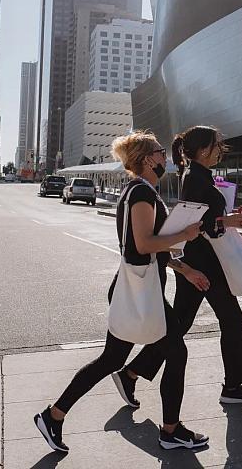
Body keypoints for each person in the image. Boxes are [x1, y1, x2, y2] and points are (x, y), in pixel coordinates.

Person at [34, 130, 210, 454]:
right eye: (159, 152)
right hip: (139, 292)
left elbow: (153, 252)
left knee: (110, 359)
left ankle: (53, 416)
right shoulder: (142, 194)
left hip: (135, 289)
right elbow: (143, 246)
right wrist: (184, 232)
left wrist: (187, 270)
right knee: (176, 352)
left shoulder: (141, 191)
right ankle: (171, 432)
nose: (164, 158)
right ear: (147, 160)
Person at [114, 125, 242, 408]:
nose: (222, 148)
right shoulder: (195, 177)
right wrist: (227, 221)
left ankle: (131, 373)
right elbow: (197, 225)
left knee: (179, 325)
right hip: (202, 264)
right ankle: (233, 386)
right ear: (205, 149)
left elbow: (206, 220)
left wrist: (229, 217)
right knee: (229, 320)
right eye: (218, 144)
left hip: (200, 261)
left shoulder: (200, 176)